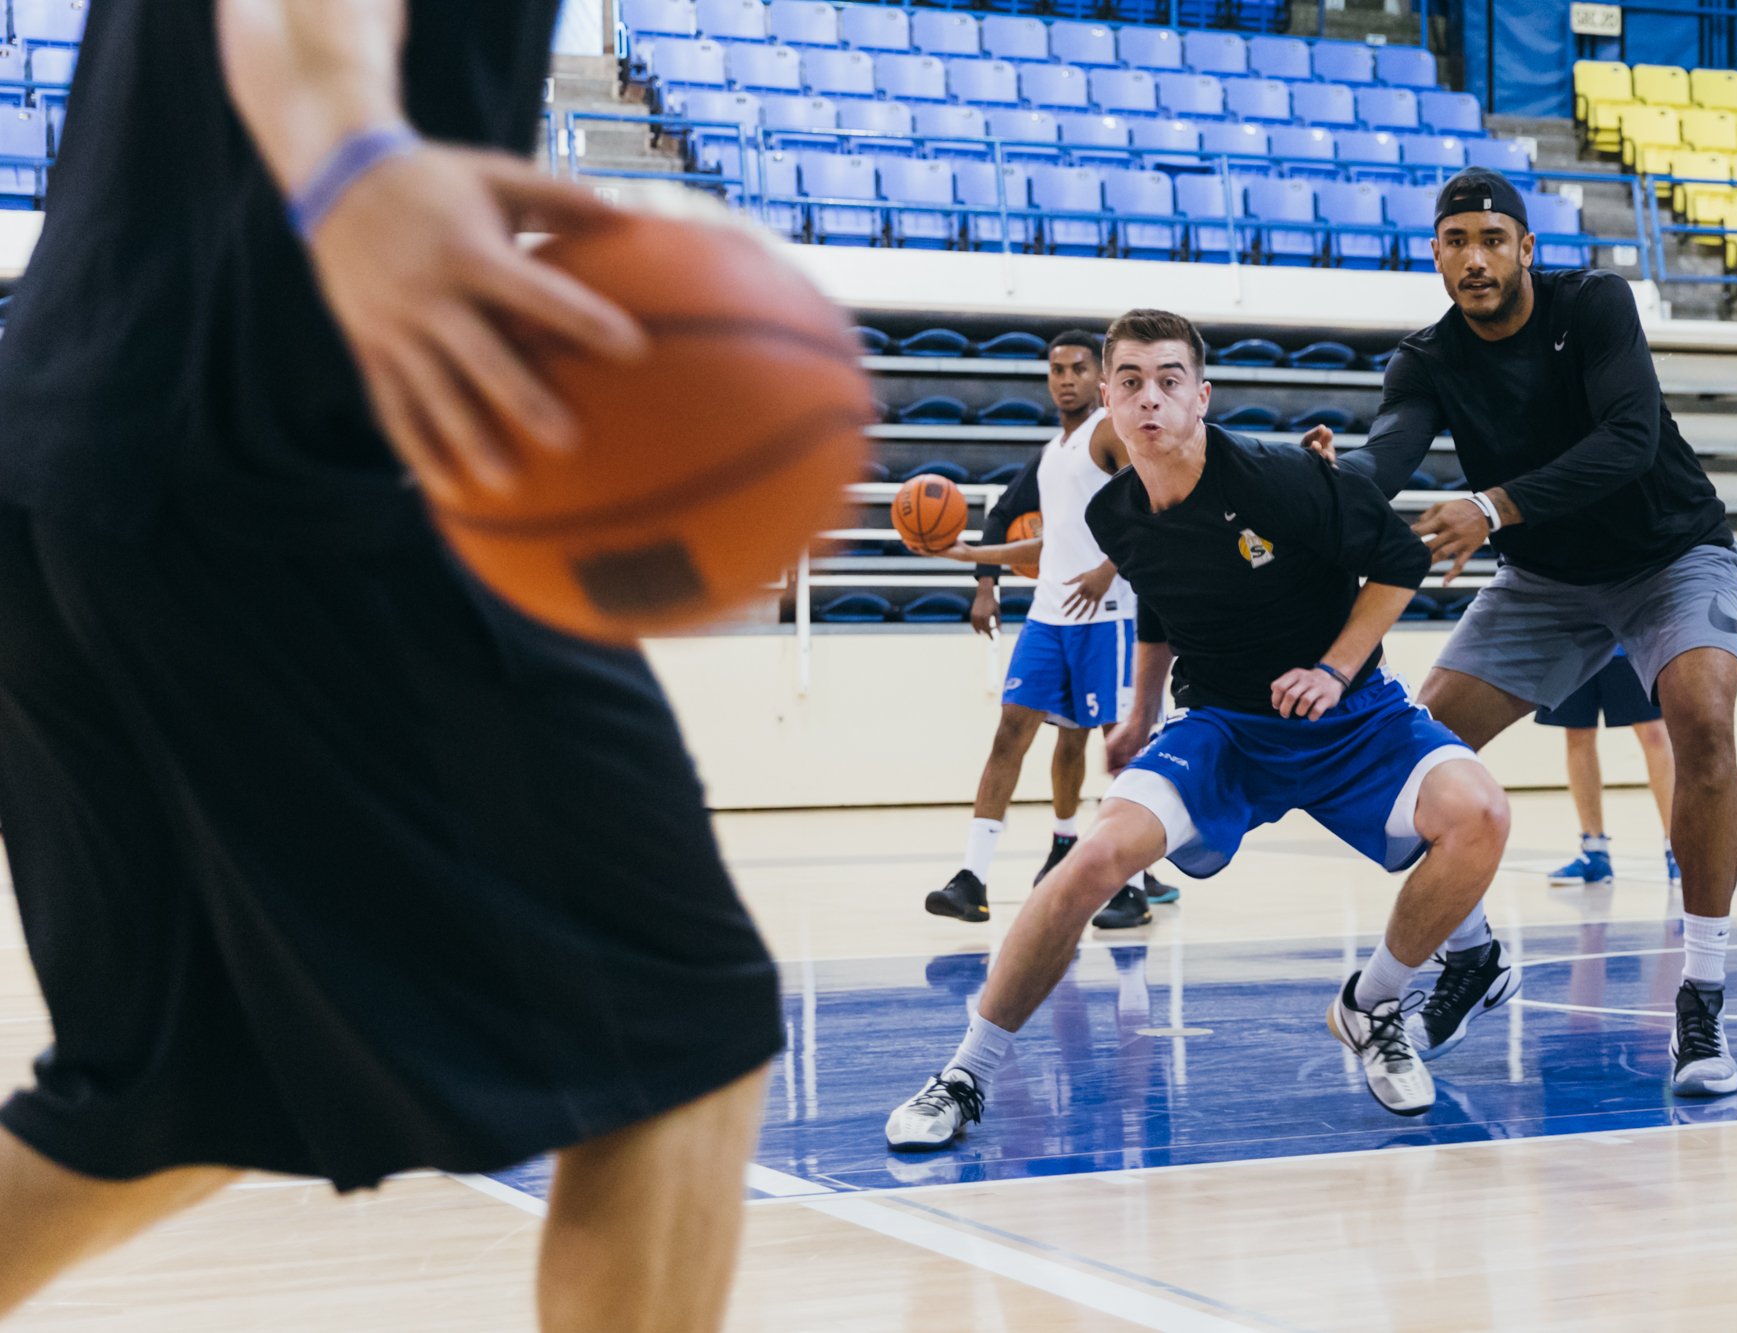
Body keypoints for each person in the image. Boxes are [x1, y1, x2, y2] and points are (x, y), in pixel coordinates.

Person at [0, 4, 780, 1329]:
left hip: (65, 454)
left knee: (179, 1093)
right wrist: (356, 157)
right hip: (282, 454)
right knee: (679, 1033)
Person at [882, 309, 1514, 1147]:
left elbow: (1400, 560)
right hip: (1223, 726)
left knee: (1481, 813)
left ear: (1202, 396)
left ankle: (1373, 1004)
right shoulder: (1117, 516)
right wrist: (1141, 710)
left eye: (1170, 381)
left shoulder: (1277, 477)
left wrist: (1330, 670)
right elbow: (1159, 608)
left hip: (1354, 714)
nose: (1151, 400)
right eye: (1132, 382)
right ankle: (965, 1073)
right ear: (1108, 398)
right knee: (1092, 859)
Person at [1311, 166, 1737, 1099]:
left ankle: (1701, 996)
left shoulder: (1592, 306)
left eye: (1491, 239)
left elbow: (1630, 435)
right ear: (1434, 255)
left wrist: (1493, 505)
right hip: (1546, 580)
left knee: (1702, 724)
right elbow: (1386, 452)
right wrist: (1325, 488)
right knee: (1410, 763)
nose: (1474, 259)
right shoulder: (1426, 358)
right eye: (1455, 243)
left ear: (1525, 248)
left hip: (1669, 554)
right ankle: (1472, 962)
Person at [929, 331, 1178, 930]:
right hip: (1049, 615)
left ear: (1098, 379)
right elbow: (1056, 540)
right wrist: (976, 560)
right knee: (1012, 734)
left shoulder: (1108, 432)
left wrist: (1107, 567)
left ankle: (1133, 883)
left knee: (1123, 750)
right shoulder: (1052, 449)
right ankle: (972, 879)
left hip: (1110, 617)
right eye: (1055, 369)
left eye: (1076, 368)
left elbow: (1158, 506)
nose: (1064, 378)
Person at [1537, 649, 1680, 886]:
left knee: (1654, 733)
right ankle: (1594, 852)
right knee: (1577, 733)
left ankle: (1678, 849)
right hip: (1574, 642)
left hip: (1628, 641)